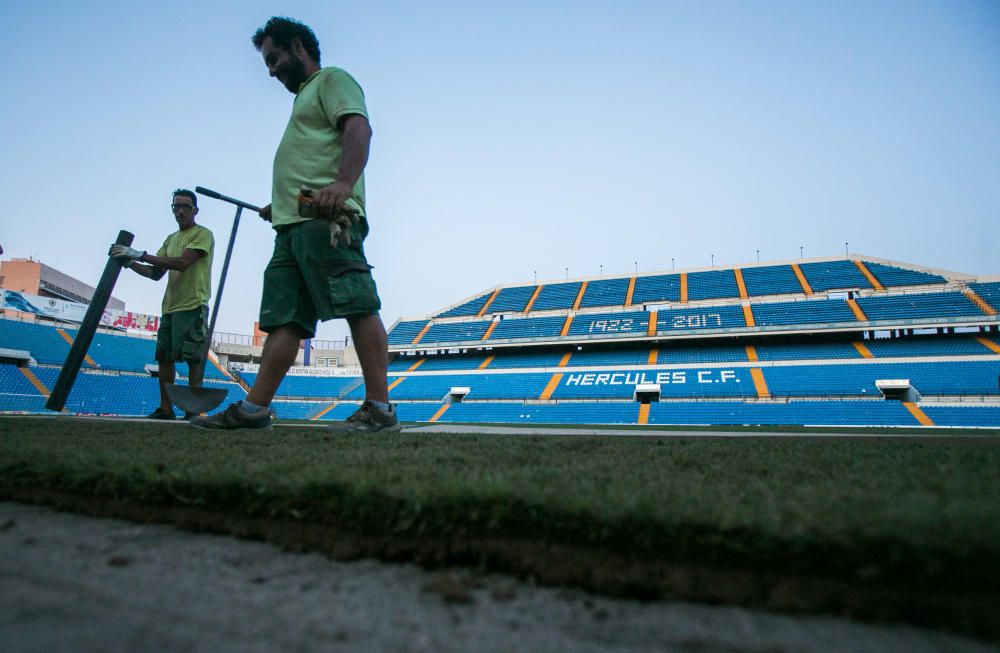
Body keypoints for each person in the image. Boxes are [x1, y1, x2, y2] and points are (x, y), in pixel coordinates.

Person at [192, 16, 398, 432]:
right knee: (285, 320)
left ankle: (380, 407)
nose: (270, 70)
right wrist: (282, 205)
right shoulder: (302, 99)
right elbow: (311, 158)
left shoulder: (332, 81)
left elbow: (358, 127)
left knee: (357, 303)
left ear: (299, 46)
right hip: (292, 225)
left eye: (274, 58)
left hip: (328, 219)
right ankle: (254, 409)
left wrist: (342, 183)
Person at [111, 189, 215, 420]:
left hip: (193, 304)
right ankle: (166, 409)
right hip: (170, 307)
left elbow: (182, 263)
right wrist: (130, 262)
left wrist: (140, 254)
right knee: (164, 357)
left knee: (192, 358)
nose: (180, 211)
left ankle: (192, 409)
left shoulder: (202, 234)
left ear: (195, 210)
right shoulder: (171, 239)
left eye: (185, 207)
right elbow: (155, 273)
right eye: (176, 206)